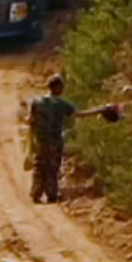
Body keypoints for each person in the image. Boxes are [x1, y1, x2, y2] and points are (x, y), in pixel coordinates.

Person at [22, 74, 78, 203]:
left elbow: (30, 119)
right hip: (55, 141)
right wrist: (101, 110)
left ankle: (36, 193)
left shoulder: (37, 102)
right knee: (53, 168)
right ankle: (51, 194)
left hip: (41, 140)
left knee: (39, 166)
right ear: (57, 87)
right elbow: (78, 114)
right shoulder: (62, 105)